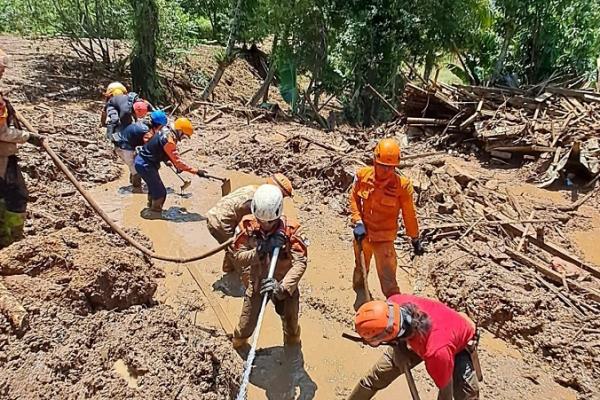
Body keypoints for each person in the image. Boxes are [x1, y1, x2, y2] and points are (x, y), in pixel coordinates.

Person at [348, 294, 481, 400]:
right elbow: (400, 333)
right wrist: (399, 350)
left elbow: (446, 391)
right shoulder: (394, 303)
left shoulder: (436, 351)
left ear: (388, 333)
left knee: (467, 395)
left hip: (458, 345)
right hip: (414, 338)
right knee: (378, 376)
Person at [230, 184, 307, 349]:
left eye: (270, 221)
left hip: (284, 286)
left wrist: (282, 288)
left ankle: (291, 355)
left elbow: (300, 262)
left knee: (291, 328)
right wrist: (259, 251)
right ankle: (237, 350)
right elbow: (238, 257)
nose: (265, 225)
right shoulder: (247, 227)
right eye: (261, 221)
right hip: (257, 283)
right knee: (245, 327)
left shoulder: (292, 231)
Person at [349, 138, 423, 299]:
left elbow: (409, 214)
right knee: (360, 269)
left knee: (389, 282)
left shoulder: (402, 186)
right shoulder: (362, 176)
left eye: (390, 168)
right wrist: (358, 221)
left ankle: (396, 312)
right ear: (374, 161)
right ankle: (361, 296)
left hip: (384, 240)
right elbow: (354, 197)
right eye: (382, 166)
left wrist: (415, 238)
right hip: (363, 234)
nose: (386, 171)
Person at [0, 48, 45, 247]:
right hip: (1, 155)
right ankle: (11, 242)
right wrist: (27, 137)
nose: (3, 72)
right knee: (17, 197)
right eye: (0, 69)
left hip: (5, 155)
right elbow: (2, 133)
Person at [206, 173, 294, 273]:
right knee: (238, 249)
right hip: (221, 222)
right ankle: (242, 279)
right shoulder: (258, 200)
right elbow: (246, 216)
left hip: (217, 215)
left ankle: (229, 268)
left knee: (233, 246)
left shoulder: (256, 189)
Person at [134, 114, 204, 219]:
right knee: (161, 192)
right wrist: (196, 171)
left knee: (154, 188)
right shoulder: (169, 141)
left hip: (142, 162)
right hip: (146, 165)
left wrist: (168, 160)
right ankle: (155, 213)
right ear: (179, 131)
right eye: (184, 136)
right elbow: (178, 161)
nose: (183, 139)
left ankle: (150, 207)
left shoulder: (165, 131)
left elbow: (159, 148)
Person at [115, 109, 166, 189]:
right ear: (159, 125)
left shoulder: (146, 124)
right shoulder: (146, 131)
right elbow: (150, 148)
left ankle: (133, 180)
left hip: (124, 142)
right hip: (124, 147)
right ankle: (136, 189)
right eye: (162, 126)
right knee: (137, 170)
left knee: (138, 161)